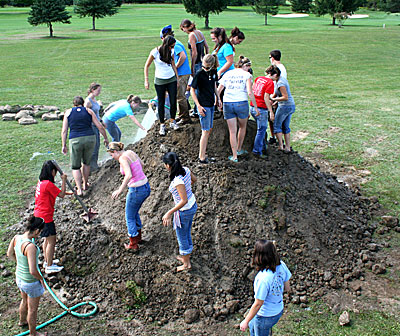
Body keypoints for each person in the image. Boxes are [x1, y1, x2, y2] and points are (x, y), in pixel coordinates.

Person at [240, 240, 291, 336]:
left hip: (265, 316)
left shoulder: (263, 279)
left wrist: (245, 321)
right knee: (253, 325)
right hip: (278, 309)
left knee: (258, 328)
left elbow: (258, 303)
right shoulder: (281, 265)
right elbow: (287, 287)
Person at [7, 216, 47, 336]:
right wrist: (42, 279)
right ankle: (33, 334)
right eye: (40, 232)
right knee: (33, 309)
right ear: (36, 231)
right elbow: (33, 271)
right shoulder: (30, 247)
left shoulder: (16, 238)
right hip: (30, 282)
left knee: (24, 301)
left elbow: (9, 254)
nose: (40, 234)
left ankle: (22, 321)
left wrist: (19, 264)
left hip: (19, 278)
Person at [61, 96, 109, 196]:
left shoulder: (68, 112)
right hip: (90, 138)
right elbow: (99, 126)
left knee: (75, 166)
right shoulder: (89, 111)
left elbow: (64, 130)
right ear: (83, 103)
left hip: (75, 140)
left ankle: (79, 189)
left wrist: (63, 145)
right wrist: (105, 138)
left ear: (73, 104)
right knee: (86, 163)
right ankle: (85, 184)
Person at [108, 142, 151, 251]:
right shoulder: (130, 152)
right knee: (134, 212)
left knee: (129, 216)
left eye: (111, 155)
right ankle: (138, 238)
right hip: (146, 187)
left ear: (115, 151)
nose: (112, 157)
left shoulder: (122, 159)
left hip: (136, 190)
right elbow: (142, 164)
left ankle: (133, 245)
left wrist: (120, 190)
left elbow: (129, 175)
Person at [217, 56, 259, 162]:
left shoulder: (228, 73)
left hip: (228, 103)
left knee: (232, 131)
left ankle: (234, 155)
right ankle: (239, 149)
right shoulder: (247, 75)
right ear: (247, 66)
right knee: (242, 127)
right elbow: (250, 92)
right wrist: (256, 107)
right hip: (241, 103)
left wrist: (218, 101)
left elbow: (219, 89)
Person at [162, 152, 197, 272]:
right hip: (192, 206)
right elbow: (194, 179)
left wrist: (169, 212)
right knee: (186, 232)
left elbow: (183, 200)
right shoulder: (186, 170)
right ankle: (186, 255)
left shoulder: (177, 181)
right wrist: (187, 188)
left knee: (181, 236)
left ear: (167, 165)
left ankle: (186, 264)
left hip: (184, 210)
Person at [34, 160, 69, 274]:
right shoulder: (48, 184)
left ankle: (46, 261)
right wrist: (63, 180)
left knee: (46, 240)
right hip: (46, 217)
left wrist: (70, 193)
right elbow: (61, 194)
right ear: (52, 171)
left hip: (38, 215)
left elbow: (56, 192)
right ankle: (49, 266)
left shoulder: (41, 182)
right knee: (52, 240)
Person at [144, 35, 180, 136]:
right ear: (167, 45)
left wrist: (177, 78)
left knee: (173, 101)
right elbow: (146, 65)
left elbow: (173, 65)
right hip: (160, 81)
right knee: (161, 102)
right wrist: (146, 80)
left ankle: (173, 121)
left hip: (171, 79)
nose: (172, 48)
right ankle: (162, 125)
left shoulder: (171, 52)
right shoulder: (155, 52)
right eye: (171, 46)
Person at [160, 25, 192, 125]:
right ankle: (183, 113)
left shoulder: (175, 44)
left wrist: (175, 68)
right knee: (180, 95)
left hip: (182, 73)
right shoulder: (175, 43)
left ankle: (185, 118)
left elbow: (182, 56)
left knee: (180, 96)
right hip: (182, 73)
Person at [190, 54, 219, 164]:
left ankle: (204, 153)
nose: (204, 69)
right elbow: (192, 90)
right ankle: (201, 157)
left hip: (211, 103)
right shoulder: (199, 74)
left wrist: (218, 97)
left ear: (212, 66)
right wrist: (198, 106)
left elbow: (214, 85)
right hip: (203, 105)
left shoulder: (213, 72)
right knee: (205, 131)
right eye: (203, 66)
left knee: (209, 129)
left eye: (207, 67)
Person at [250, 67, 276, 158]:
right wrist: (271, 111)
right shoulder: (270, 83)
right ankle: (257, 151)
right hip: (261, 109)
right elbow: (265, 98)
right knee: (261, 130)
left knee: (261, 128)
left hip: (253, 106)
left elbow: (253, 90)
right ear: (275, 75)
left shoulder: (259, 78)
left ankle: (263, 147)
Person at [269, 65, 295, 153]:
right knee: (286, 127)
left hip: (285, 106)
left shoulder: (280, 83)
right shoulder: (281, 80)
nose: (269, 77)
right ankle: (287, 147)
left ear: (275, 74)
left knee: (277, 126)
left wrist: (274, 100)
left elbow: (285, 97)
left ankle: (280, 146)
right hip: (290, 106)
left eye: (270, 75)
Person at [268, 50, 287, 145]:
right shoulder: (282, 67)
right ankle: (275, 137)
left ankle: (276, 138)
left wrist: (273, 98)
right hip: (277, 96)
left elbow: (277, 85)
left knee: (273, 118)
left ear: (272, 57)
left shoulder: (277, 69)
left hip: (276, 96)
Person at [84, 82, 102, 171]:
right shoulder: (88, 102)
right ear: (92, 90)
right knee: (94, 146)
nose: (99, 92)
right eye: (98, 90)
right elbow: (85, 115)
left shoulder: (94, 99)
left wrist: (101, 121)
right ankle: (92, 167)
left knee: (97, 145)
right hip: (92, 126)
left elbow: (97, 113)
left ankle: (94, 164)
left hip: (97, 125)